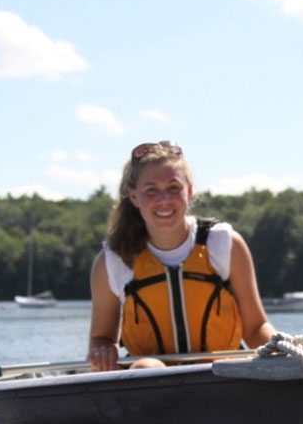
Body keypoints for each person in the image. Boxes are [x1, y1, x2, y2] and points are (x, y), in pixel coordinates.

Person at [88, 141, 275, 370]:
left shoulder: (224, 244)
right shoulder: (114, 259)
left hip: (223, 377)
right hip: (149, 382)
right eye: (151, 190)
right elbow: (101, 339)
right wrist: (103, 349)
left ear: (189, 190)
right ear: (134, 197)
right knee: (147, 367)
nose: (164, 199)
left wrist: (287, 347)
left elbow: (256, 328)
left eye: (173, 187)